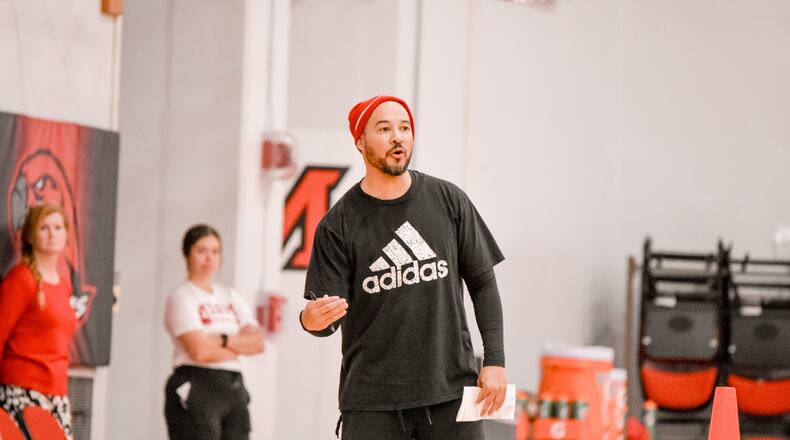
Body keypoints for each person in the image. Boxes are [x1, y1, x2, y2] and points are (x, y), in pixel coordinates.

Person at [300, 95, 507, 439]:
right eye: (384, 128)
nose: (398, 136)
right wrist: (310, 320)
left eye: (405, 127)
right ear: (360, 142)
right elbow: (326, 319)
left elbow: (483, 283)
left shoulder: (448, 200)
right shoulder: (338, 224)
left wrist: (496, 362)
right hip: (372, 402)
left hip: (451, 393)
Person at [164, 224, 264, 440]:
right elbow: (200, 351)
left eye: (215, 252)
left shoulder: (230, 296)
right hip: (197, 384)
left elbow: (257, 343)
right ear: (187, 254)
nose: (209, 258)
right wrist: (238, 346)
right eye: (202, 251)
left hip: (233, 386)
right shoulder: (182, 296)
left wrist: (222, 340)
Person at [0, 202, 78, 439]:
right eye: (44, 227)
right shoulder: (22, 279)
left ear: (66, 233)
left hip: (56, 391)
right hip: (22, 389)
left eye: (57, 227)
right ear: (31, 236)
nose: (52, 234)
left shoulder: (63, 283)